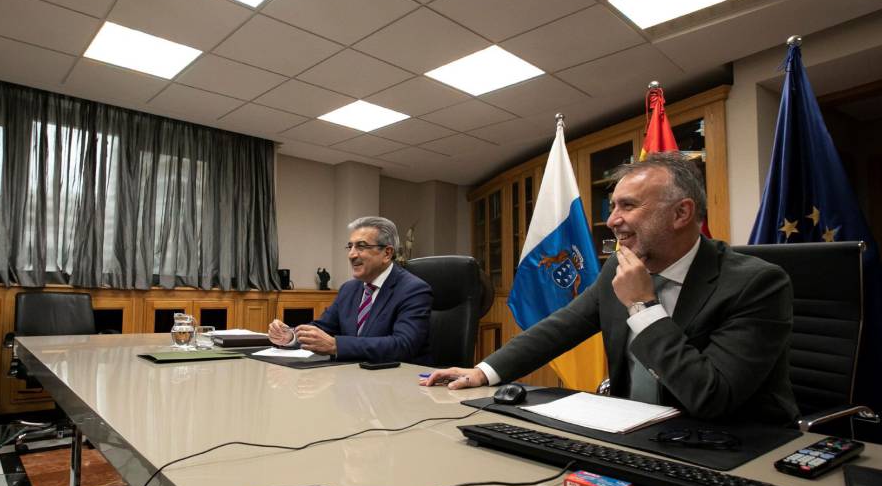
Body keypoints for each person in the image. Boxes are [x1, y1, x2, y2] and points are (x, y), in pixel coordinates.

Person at [420, 153, 799, 425]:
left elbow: (712, 397)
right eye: (613, 206)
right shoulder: (617, 268)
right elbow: (562, 326)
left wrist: (643, 306)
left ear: (681, 214)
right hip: (633, 432)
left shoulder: (757, 283)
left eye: (628, 206)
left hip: (733, 445)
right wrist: (484, 372)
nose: (611, 220)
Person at [268, 216, 432, 363]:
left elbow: (403, 345)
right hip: (351, 379)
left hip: (396, 384)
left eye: (361, 246)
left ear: (387, 253)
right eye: (350, 246)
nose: (352, 255)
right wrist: (291, 336)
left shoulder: (413, 290)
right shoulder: (349, 289)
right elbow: (323, 327)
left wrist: (336, 345)